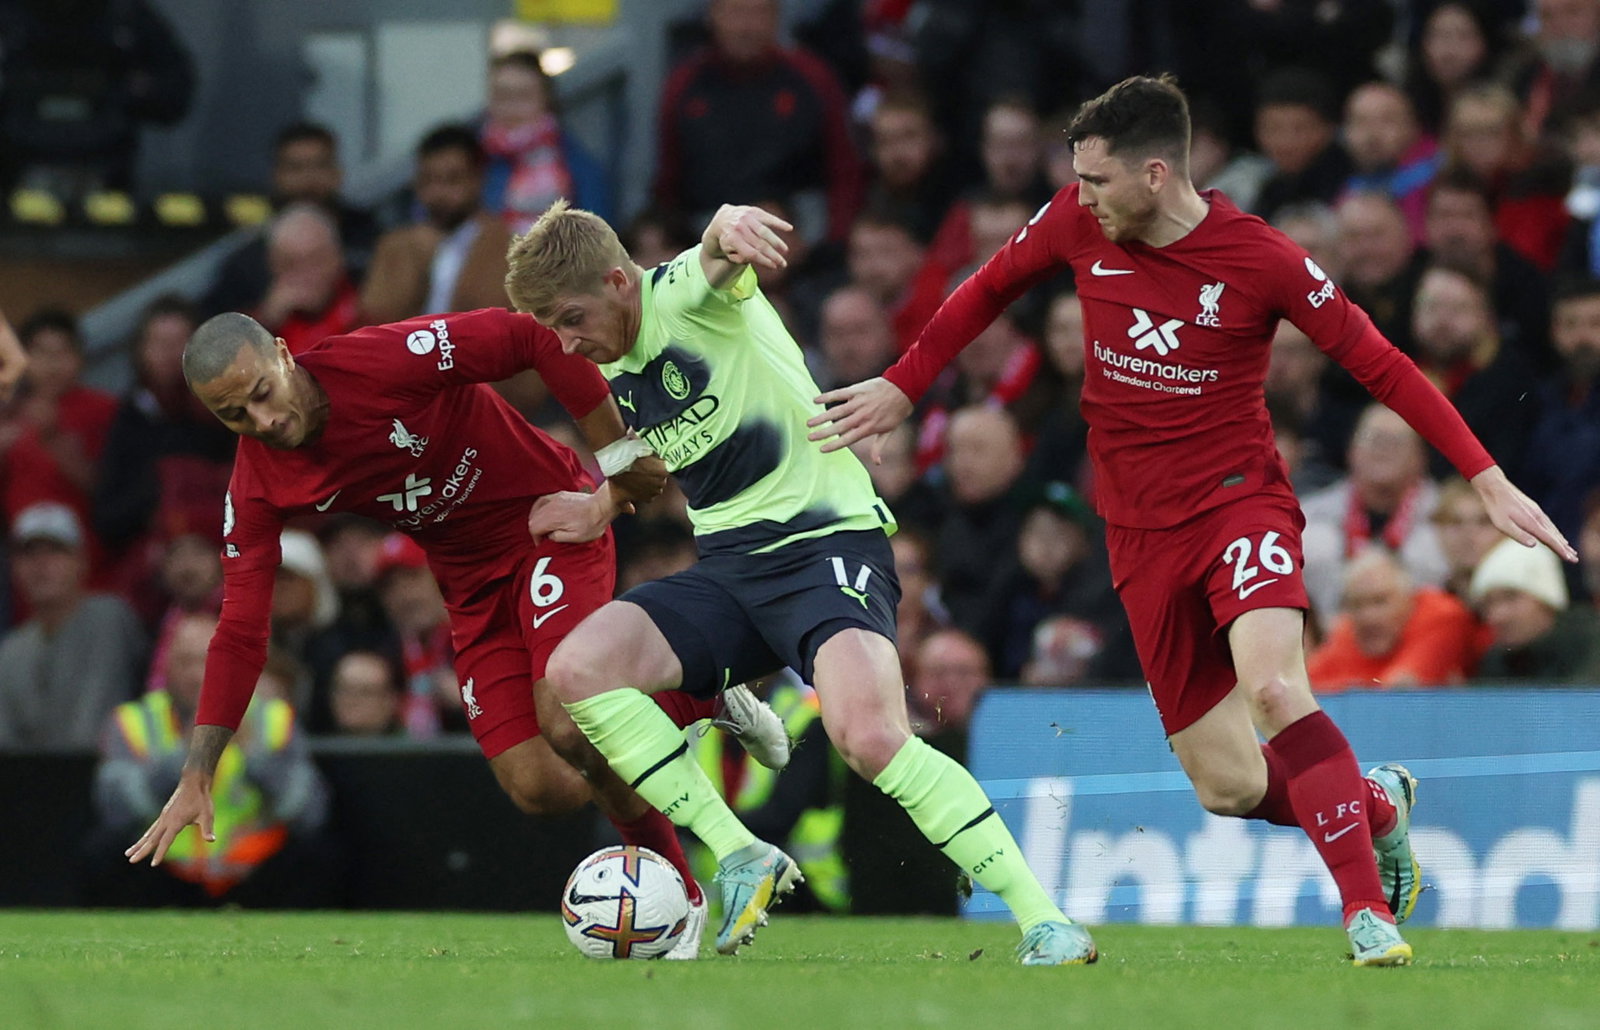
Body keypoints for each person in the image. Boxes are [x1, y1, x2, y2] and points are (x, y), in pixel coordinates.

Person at [807, 74, 1577, 967]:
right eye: (1078, 182)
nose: (1080, 198)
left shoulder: (1264, 260)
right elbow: (987, 287)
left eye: (1097, 181)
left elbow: (1385, 366)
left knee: (1278, 689)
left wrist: (1484, 478)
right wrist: (904, 385)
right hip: (1138, 533)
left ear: (1157, 174)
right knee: (1230, 784)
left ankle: (1367, 911)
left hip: (1237, 502)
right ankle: (1373, 810)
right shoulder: (1076, 220)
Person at [504, 200, 1097, 965]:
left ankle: (1044, 919)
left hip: (824, 548)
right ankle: (742, 853)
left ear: (620, 281)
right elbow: (645, 453)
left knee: (871, 736)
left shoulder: (682, 295)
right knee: (577, 671)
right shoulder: (611, 352)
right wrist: (601, 506)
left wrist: (727, 224)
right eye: (550, 327)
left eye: (569, 318)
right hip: (728, 568)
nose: (565, 341)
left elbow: (715, 251)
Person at [122, 304, 791, 961]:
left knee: (568, 719)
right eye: (234, 415)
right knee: (541, 786)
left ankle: (682, 896)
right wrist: (198, 771)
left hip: (549, 527)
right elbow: (240, 629)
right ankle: (699, 698)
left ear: (281, 352)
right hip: (470, 587)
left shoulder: (385, 360)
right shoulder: (258, 483)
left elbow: (529, 337)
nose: (262, 420)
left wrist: (616, 454)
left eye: (263, 394)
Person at [88, 612, 334, 907]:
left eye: (207, 659)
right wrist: (184, 755)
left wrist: (254, 755)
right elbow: (115, 812)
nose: (196, 674)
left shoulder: (271, 718)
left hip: (253, 871)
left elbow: (310, 812)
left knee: (321, 853)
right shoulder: (135, 721)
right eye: (185, 661)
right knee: (99, 852)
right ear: (166, 667)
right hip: (163, 872)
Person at [0, 502, 147, 750]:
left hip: (106, 776)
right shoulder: (12, 649)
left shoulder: (109, 618)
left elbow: (91, 730)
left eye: (55, 551)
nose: (41, 564)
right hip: (29, 782)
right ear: (14, 567)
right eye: (29, 553)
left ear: (81, 561)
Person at [360, 125, 513, 326]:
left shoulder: (506, 247)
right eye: (428, 180)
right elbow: (374, 317)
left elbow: (498, 320)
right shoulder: (396, 244)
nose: (438, 193)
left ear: (478, 179)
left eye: (452, 180)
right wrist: (415, 263)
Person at [1306, 545, 1485, 691]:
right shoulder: (1347, 629)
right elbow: (1308, 687)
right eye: (1357, 605)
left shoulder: (1442, 615)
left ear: (1408, 598)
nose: (1368, 617)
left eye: (1380, 601)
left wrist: (1346, 688)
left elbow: (1401, 690)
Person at [1471, 536, 1600, 681]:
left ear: (1546, 598)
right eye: (1488, 604)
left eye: (1510, 597)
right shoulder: (1496, 662)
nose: (1497, 615)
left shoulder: (1592, 645)